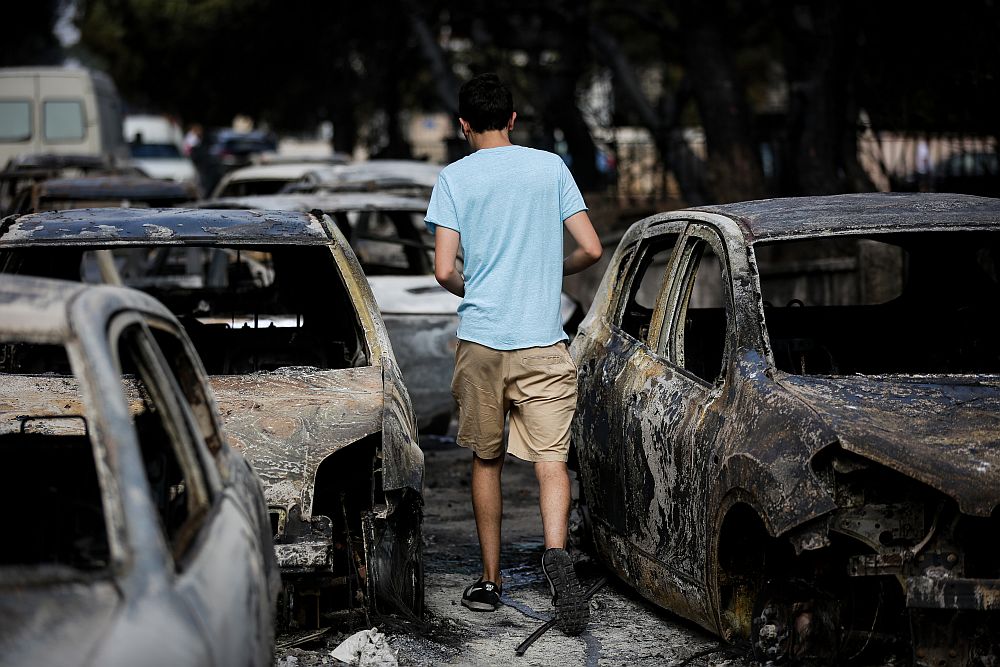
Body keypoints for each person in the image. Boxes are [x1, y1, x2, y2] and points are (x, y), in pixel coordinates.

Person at [425, 73, 603, 636]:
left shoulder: (453, 178)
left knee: (486, 459)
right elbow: (592, 248)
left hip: (482, 340)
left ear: (462, 125)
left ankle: (491, 580)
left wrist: (473, 290)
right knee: (552, 460)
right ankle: (557, 557)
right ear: (512, 119)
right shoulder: (549, 168)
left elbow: (444, 269)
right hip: (542, 339)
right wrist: (554, 272)